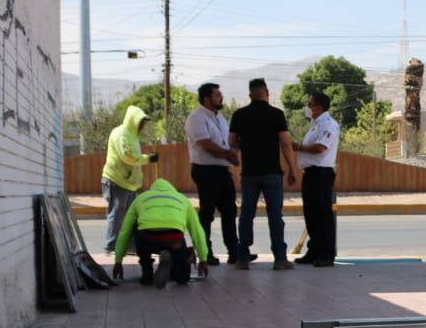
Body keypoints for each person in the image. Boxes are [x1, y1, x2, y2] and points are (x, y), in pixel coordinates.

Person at [228, 78, 298, 270]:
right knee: (275, 215)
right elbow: (285, 143)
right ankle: (280, 258)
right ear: (267, 94)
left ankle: (242, 258)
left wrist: (248, 144)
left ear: (250, 95)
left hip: (249, 172)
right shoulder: (276, 114)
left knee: (246, 215)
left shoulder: (239, 114)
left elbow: (232, 142)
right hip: (272, 173)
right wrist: (292, 169)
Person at [111, 178, 209, 288]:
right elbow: (197, 231)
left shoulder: (141, 198)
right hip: (173, 240)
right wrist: (203, 259)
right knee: (182, 279)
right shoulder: (183, 199)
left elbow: (125, 231)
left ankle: (147, 273)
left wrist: (118, 261)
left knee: (135, 228)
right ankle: (181, 257)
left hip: (148, 238)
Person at [185, 82, 239, 266]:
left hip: (222, 170)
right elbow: (207, 145)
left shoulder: (220, 118)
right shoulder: (196, 118)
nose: (221, 97)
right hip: (205, 170)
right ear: (207, 98)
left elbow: (228, 142)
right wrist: (228, 155)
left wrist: (232, 152)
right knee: (207, 213)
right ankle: (205, 253)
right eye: (217, 95)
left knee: (229, 211)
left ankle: (235, 252)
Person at [101, 105, 157, 253]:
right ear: (132, 120)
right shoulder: (120, 134)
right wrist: (147, 159)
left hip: (129, 183)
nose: (143, 125)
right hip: (116, 180)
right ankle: (111, 245)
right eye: (140, 122)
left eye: (143, 122)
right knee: (117, 214)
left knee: (130, 217)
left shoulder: (133, 136)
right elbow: (128, 156)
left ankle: (130, 246)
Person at [293, 91, 340, 267]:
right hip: (311, 174)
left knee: (322, 215)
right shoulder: (315, 125)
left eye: (310, 104)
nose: (308, 108)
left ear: (319, 107)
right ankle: (314, 251)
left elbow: (320, 147)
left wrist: (297, 146)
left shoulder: (329, 125)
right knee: (311, 214)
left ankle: (327, 254)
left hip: (321, 173)